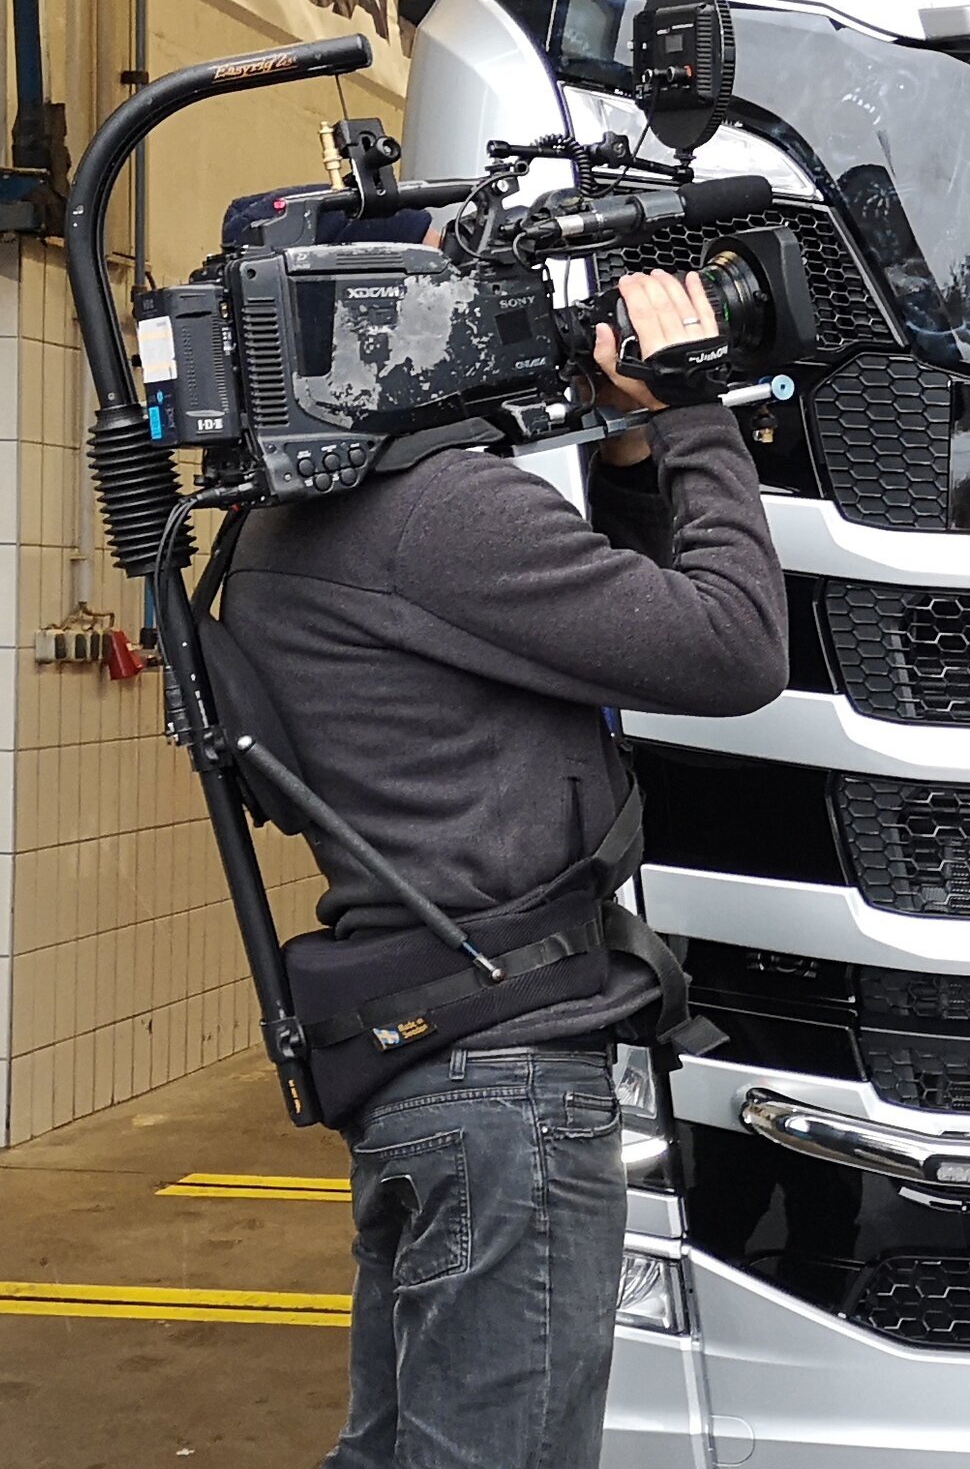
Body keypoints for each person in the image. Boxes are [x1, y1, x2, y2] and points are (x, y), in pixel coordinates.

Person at [223, 270, 788, 1469]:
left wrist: (633, 457)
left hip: (433, 1062)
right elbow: (731, 651)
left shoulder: (304, 522)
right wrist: (696, 407)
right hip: (506, 1092)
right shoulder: (441, 515)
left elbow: (612, 633)